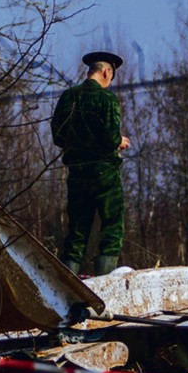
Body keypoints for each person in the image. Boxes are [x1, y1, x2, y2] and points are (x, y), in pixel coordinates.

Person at [51, 51, 130, 276]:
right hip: (104, 172)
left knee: (76, 231)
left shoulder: (68, 97)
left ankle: (67, 287)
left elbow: (58, 135)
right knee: (112, 227)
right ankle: (105, 283)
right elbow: (108, 136)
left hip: (76, 173)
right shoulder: (106, 99)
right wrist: (118, 141)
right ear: (106, 72)